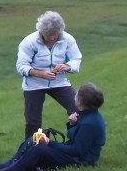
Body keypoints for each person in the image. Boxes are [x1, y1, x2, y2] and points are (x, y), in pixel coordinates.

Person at [0, 83, 105, 171]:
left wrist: (49, 143)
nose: (74, 96)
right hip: (75, 153)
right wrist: (72, 124)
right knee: (33, 140)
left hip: (81, 160)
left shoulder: (89, 123)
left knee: (39, 149)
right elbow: (76, 138)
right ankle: (4, 167)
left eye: (77, 95)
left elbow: (77, 150)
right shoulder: (86, 116)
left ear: (80, 102)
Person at [16, 11, 82, 139]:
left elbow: (76, 59)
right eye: (48, 35)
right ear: (41, 31)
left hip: (60, 82)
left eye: (55, 35)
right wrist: (40, 74)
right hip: (34, 85)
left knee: (78, 111)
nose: (52, 38)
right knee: (33, 122)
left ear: (60, 31)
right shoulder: (29, 42)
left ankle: (76, 144)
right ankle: (30, 151)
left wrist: (67, 67)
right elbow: (21, 66)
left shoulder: (68, 40)